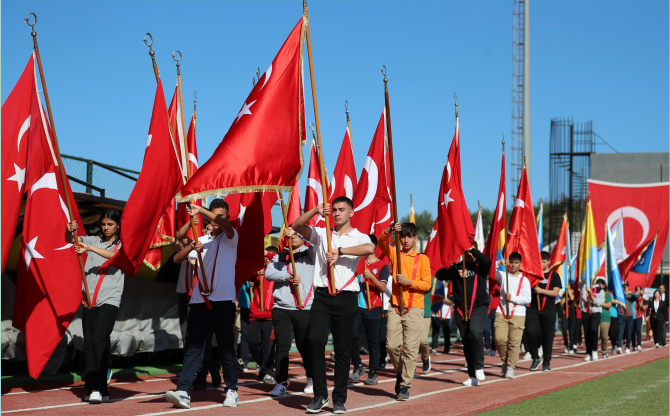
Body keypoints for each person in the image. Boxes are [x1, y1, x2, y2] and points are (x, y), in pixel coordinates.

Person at [291, 197, 374, 414]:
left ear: (351, 212)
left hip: (347, 298)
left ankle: (339, 399)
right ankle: (320, 395)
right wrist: (316, 210)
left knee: (342, 349)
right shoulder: (321, 233)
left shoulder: (358, 236)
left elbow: (369, 248)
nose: (337, 213)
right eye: (334, 209)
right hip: (323, 296)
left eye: (341, 209)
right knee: (314, 340)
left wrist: (341, 252)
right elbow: (297, 226)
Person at [164, 200, 240, 409]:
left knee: (225, 348)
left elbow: (225, 226)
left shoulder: (230, 237)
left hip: (223, 301)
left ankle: (232, 389)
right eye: (215, 215)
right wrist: (191, 246)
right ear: (207, 218)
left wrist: (202, 211)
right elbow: (177, 259)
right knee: (193, 347)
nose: (219, 219)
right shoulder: (202, 239)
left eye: (223, 215)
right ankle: (183, 390)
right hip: (200, 301)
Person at [66, 210, 124, 404]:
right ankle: (96, 388)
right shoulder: (92, 239)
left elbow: (114, 256)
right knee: (90, 343)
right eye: (103, 224)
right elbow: (71, 239)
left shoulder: (122, 245)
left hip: (110, 299)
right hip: (89, 299)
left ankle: (97, 388)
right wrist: (69, 231)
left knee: (99, 337)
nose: (106, 228)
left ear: (118, 226)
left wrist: (89, 248)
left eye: (110, 225)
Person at [379, 222, 431, 399]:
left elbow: (427, 284)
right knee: (391, 346)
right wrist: (389, 230)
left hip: (415, 308)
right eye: (403, 236)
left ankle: (405, 385)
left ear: (416, 238)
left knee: (410, 349)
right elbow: (381, 242)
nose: (406, 240)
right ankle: (401, 373)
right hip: (395, 307)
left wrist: (409, 282)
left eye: (409, 236)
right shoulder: (395, 254)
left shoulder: (423, 259)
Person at [264, 228, 316, 396]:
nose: (293, 238)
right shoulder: (280, 256)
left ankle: (311, 377)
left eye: (297, 235)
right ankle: (280, 383)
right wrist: (288, 275)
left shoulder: (310, 253)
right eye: (290, 235)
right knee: (282, 346)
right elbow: (268, 273)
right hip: (281, 308)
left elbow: (316, 245)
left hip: (304, 308)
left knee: (304, 346)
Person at [435, 241, 491, 386]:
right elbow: (439, 273)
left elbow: (488, 261)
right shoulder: (457, 267)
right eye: (466, 251)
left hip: (479, 307)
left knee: (475, 332)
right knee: (467, 342)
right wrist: (455, 272)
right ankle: (472, 376)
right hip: (461, 309)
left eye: (472, 251)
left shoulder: (481, 266)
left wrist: (474, 251)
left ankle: (479, 366)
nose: (469, 254)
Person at [349, 235, 389, 386]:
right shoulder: (358, 263)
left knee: (373, 341)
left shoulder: (383, 264)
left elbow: (383, 288)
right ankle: (358, 366)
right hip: (357, 307)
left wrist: (372, 277)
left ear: (372, 246)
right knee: (352, 336)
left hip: (374, 307)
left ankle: (373, 371)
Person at [493, 252, 531, 380]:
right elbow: (488, 270)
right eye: (511, 262)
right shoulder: (503, 276)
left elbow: (528, 299)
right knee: (499, 339)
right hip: (502, 312)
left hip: (518, 314)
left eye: (516, 262)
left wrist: (513, 298)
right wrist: (499, 262)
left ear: (520, 264)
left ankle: (510, 367)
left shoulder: (524, 280)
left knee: (514, 343)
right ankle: (506, 361)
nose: (513, 265)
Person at [526, 251, 562, 371]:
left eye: (544, 262)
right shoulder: (533, 275)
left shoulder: (554, 276)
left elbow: (555, 293)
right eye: (540, 261)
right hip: (533, 309)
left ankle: (546, 362)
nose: (542, 264)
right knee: (530, 332)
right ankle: (535, 357)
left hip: (548, 309)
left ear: (549, 262)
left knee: (548, 337)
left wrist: (541, 291)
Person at [247, 248, 277, 385]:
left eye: (268, 257)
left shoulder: (278, 270)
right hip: (255, 313)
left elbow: (274, 255)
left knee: (269, 345)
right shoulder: (259, 270)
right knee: (252, 341)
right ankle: (263, 365)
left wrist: (265, 252)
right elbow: (247, 276)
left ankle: (268, 371)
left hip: (271, 314)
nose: (266, 259)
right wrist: (255, 271)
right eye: (264, 257)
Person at [418, 277, 436, 372]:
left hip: (424, 313)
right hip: (410, 312)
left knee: (423, 340)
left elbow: (426, 287)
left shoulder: (428, 276)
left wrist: (410, 282)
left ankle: (425, 357)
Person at [615, 282, 638, 354]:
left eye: (626, 286)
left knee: (629, 332)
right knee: (620, 332)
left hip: (629, 316)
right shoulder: (619, 294)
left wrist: (630, 292)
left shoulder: (630, 296)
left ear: (628, 287)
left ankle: (627, 347)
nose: (625, 288)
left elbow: (637, 295)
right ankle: (619, 346)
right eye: (624, 286)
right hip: (621, 315)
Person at [430, 289, 453, 354]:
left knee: (446, 332)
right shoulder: (435, 288)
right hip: (435, 313)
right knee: (435, 331)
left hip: (446, 313)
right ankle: (434, 347)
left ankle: (447, 348)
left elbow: (451, 302)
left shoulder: (448, 291)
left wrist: (441, 299)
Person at [379, 273, 393, 369]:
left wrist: (384, 285)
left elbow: (392, 293)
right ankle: (380, 358)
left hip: (387, 309)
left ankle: (383, 358)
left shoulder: (391, 278)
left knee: (383, 336)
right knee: (377, 336)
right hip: (376, 308)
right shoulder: (376, 275)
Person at [598, 281, 613, 359]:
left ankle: (604, 351)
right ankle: (593, 351)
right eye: (598, 284)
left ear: (604, 285)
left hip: (605, 318)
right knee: (595, 335)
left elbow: (608, 305)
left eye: (601, 284)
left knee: (604, 336)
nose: (599, 285)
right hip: (596, 317)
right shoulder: (595, 294)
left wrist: (599, 303)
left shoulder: (607, 295)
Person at [632, 285, 647, 352]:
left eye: (638, 290)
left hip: (639, 316)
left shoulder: (642, 299)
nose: (637, 291)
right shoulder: (633, 298)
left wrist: (641, 306)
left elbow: (644, 309)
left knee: (638, 330)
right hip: (632, 316)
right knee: (632, 332)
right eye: (636, 290)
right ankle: (634, 345)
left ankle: (639, 345)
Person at [608, 289, 619, 355]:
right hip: (605, 315)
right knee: (608, 332)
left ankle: (614, 344)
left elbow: (618, 301)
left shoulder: (615, 294)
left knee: (612, 332)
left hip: (613, 314)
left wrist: (610, 301)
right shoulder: (605, 294)